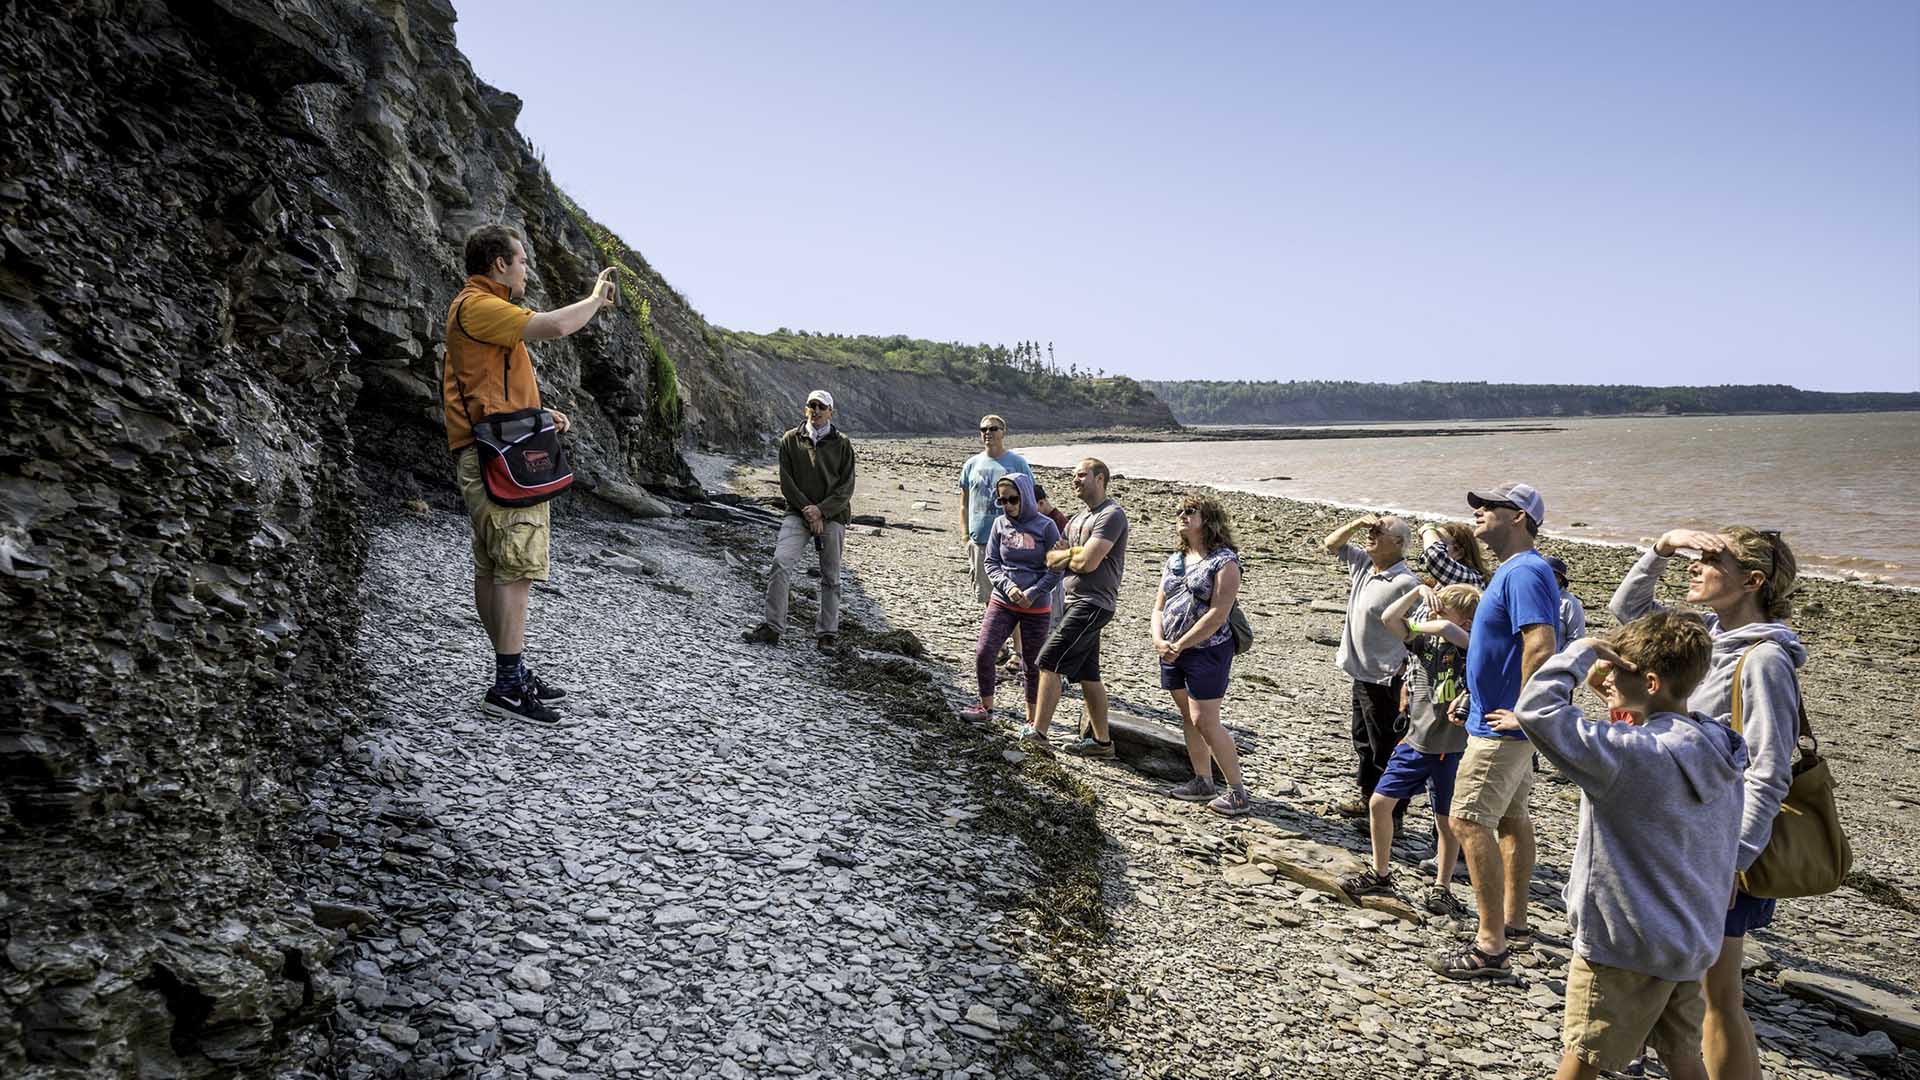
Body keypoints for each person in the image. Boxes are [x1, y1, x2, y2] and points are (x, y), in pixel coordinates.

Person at [1489, 611, 1745, 1080]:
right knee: (1682, 1055)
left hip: (1625, 943)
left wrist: (1578, 651)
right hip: (1689, 938)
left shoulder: (1630, 756)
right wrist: (1615, 684)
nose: (1602, 674)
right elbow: (1645, 724)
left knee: (1585, 1056)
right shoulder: (1717, 746)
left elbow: (1536, 711)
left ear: (1649, 681)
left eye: (1613, 667)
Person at [1609, 527, 1804, 1080]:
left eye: (1709, 561)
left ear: (1753, 581)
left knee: (1719, 993)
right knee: (1701, 986)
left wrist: (1732, 862)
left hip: (1721, 847)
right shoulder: (1708, 633)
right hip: (1689, 836)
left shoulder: (1765, 660)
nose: (1693, 568)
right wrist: (1661, 548)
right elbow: (1629, 611)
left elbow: (1769, 770)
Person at [444, 224, 617, 725]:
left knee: (494, 566)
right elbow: (556, 327)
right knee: (516, 567)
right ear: (499, 263)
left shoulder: (476, 308)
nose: (526, 269)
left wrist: (542, 417)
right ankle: (507, 685)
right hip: (497, 457)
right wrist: (594, 298)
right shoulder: (479, 304)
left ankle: (512, 672)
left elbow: (488, 388)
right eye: (521, 261)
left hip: (491, 447)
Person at [1429, 482, 1559, 980]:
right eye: (1477, 507)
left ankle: (1490, 946)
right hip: (1496, 716)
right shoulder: (1515, 570)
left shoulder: (1525, 570)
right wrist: (1475, 694)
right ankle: (1516, 925)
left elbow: (1541, 646)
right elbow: (1502, 651)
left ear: (1520, 517)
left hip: (1502, 728)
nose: (1479, 513)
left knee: (1466, 820)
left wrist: (1525, 713)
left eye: (1490, 507)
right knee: (1511, 818)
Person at [1343, 583, 1479, 920]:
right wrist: (1418, 591)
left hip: (1450, 749)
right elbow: (1389, 617)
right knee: (1379, 803)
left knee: (1446, 822)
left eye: (1442, 608)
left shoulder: (1471, 648)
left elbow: (1448, 628)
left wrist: (1426, 620)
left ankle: (1442, 887)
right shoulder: (1425, 642)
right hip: (1416, 741)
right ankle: (1380, 873)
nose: (1434, 612)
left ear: (1466, 622)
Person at [1319, 513, 1419, 818]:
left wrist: (1409, 669)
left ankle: (1391, 815)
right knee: (1363, 741)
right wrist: (1357, 524)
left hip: (1387, 678)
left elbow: (1421, 629)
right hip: (1361, 674)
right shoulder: (1364, 565)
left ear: (1399, 543)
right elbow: (1331, 544)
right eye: (1371, 529)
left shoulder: (1406, 583)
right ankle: (1367, 799)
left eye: (1379, 530)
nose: (1371, 533)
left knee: (1385, 747)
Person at [1156, 494, 1250, 816]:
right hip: (1171, 650)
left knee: (1205, 720)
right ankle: (1202, 780)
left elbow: (1218, 614)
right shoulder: (1175, 559)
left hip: (1207, 651)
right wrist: (1158, 638)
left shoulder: (1225, 561)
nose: (1182, 515)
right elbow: (1159, 605)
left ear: (1208, 520)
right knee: (1188, 716)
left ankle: (1237, 792)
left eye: (1190, 511)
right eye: (1179, 511)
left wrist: (1181, 643)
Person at [742, 391, 856, 649]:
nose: (815, 410)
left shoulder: (843, 444)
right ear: (806, 409)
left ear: (831, 412)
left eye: (821, 407)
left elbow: (846, 487)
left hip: (833, 516)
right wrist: (808, 510)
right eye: (811, 406)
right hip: (798, 512)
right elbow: (787, 482)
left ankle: (827, 633)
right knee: (781, 562)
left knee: (831, 576)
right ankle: (772, 626)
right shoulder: (790, 440)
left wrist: (822, 511)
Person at [1032, 459, 1129, 755]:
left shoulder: (1111, 515)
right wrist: (1075, 554)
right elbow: (1050, 559)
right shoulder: (1076, 519)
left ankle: (1038, 733)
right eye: (1073, 475)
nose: (1074, 480)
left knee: (1049, 660)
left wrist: (1070, 556)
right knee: (1089, 675)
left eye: (1081, 475)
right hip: (1075, 601)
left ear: (1100, 478)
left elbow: (1089, 563)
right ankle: (1102, 743)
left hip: (1093, 603)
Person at [961, 474, 1061, 730]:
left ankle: (1032, 719)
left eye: (1012, 499)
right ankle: (986, 706)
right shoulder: (999, 525)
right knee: (984, 651)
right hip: (1003, 601)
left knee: (1032, 664)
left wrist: (1033, 592)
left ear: (1026, 496)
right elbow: (991, 563)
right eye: (1002, 500)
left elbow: (1055, 569)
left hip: (1036, 607)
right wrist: (1009, 586)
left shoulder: (1047, 526)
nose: (1007, 505)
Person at [958, 415, 1033, 609]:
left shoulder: (1017, 463)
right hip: (980, 539)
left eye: (993, 429)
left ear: (1003, 432)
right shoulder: (971, 464)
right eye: (983, 429)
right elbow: (964, 503)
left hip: (1010, 540)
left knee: (1014, 593)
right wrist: (965, 536)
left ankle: (1017, 641)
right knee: (987, 596)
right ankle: (996, 638)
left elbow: (1030, 499)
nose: (987, 433)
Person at [1033, 482, 1071, 634]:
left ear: (1041, 503)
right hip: (1046, 577)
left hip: (1055, 580)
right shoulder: (1046, 520)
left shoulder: (1056, 522)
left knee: (1053, 621)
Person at [1549, 555, 1588, 643]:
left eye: (1548, 575)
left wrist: (1560, 657)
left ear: (1559, 579)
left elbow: (1576, 639)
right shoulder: (1535, 598)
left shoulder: (1570, 603)